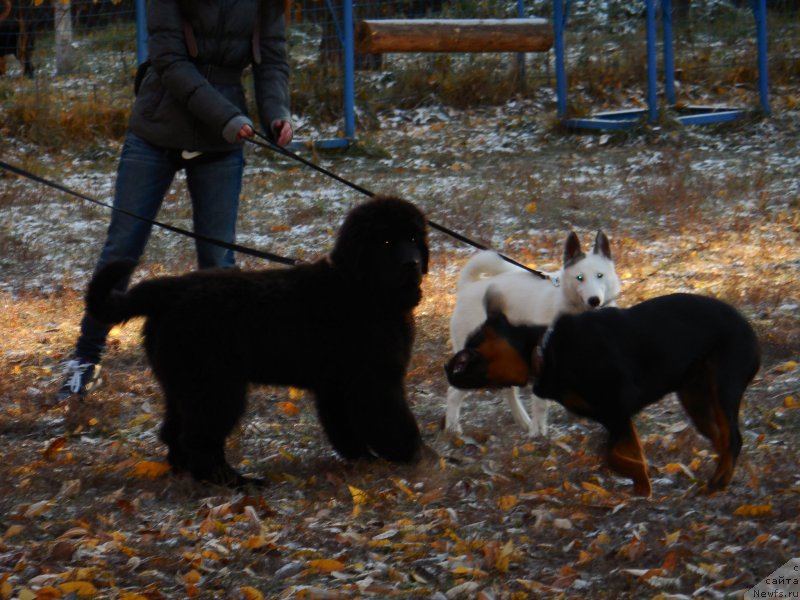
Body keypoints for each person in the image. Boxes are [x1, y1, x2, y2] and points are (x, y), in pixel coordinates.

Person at [55, 0, 293, 402]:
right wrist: (227, 117)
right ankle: (85, 358)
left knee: (219, 264)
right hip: (158, 130)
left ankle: (220, 367)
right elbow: (169, 61)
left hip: (223, 141)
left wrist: (276, 113)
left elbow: (272, 61)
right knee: (122, 248)